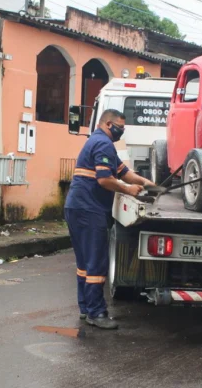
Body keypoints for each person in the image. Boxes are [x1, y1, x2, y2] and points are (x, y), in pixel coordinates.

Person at [64, 109, 156, 329]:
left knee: (85, 262)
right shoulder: (103, 144)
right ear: (107, 124)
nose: (121, 132)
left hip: (78, 207)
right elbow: (105, 179)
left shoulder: (100, 143)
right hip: (88, 209)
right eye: (119, 128)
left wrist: (149, 184)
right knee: (96, 262)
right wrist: (128, 190)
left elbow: (125, 173)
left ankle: (86, 308)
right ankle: (96, 313)